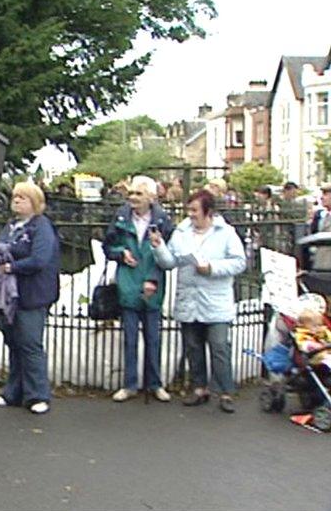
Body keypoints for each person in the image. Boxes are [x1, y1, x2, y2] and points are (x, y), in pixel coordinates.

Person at [151, 189, 246, 413]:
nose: (190, 215)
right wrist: (159, 247)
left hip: (215, 300)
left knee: (219, 346)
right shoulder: (182, 232)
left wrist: (212, 268)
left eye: (195, 210)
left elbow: (239, 262)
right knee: (193, 346)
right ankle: (198, 388)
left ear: (208, 211)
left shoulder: (226, 233)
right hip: (189, 299)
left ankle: (226, 391)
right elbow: (169, 263)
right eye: (189, 210)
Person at [102, 175, 175, 403]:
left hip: (152, 284)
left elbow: (166, 255)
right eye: (131, 193)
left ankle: (155, 384)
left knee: (153, 338)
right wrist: (120, 253)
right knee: (130, 338)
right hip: (128, 282)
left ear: (151, 198)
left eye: (138, 194)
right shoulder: (121, 217)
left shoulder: (163, 222)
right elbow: (108, 246)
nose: (132, 198)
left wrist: (153, 279)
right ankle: (130, 384)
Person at [0, 181, 60, 414]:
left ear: (35, 203)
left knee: (30, 343)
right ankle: (13, 391)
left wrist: (11, 267)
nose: (17, 200)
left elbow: (39, 259)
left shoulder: (42, 227)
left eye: (24, 197)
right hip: (9, 296)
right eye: (15, 196)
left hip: (32, 293)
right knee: (13, 343)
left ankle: (38, 394)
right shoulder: (10, 226)